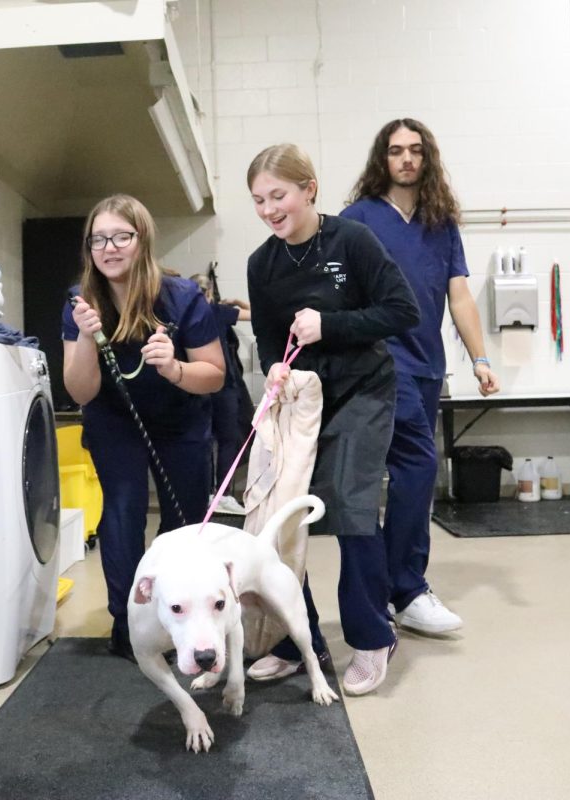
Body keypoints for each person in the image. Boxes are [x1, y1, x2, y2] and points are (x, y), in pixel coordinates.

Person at [245, 143, 421, 696]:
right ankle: (298, 643)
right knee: (282, 514)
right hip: (301, 400)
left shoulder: (352, 240)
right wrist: (274, 368)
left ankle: (373, 635)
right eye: (258, 200)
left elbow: (402, 311)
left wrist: (330, 325)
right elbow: (270, 340)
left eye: (279, 195)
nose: (270, 209)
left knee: (349, 506)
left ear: (309, 190)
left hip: (363, 390)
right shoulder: (261, 264)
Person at [341, 118, 501, 635]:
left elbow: (458, 296)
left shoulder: (440, 223)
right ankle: (405, 589)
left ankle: (393, 588)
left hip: (429, 366)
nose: (406, 159)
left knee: (413, 478)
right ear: (381, 160)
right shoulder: (358, 220)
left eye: (414, 150)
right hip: (378, 367)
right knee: (412, 470)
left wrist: (480, 360)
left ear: (426, 158)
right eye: (395, 150)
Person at [61, 194, 226, 661]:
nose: (109, 248)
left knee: (184, 523)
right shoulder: (80, 301)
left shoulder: (181, 297)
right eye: (98, 239)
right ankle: (128, 620)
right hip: (115, 419)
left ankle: (183, 619)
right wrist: (87, 337)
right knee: (123, 511)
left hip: (181, 418)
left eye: (121, 237)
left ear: (143, 240)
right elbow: (80, 391)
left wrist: (174, 368)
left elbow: (214, 374)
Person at [191, 271, 253, 515]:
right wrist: (239, 303)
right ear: (208, 293)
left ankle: (209, 494)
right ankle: (222, 495)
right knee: (227, 439)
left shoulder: (188, 314)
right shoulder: (217, 311)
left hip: (199, 386)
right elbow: (258, 315)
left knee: (207, 441)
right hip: (222, 386)